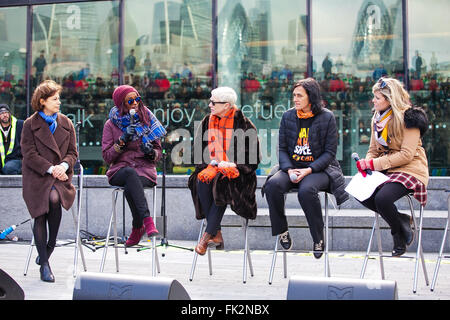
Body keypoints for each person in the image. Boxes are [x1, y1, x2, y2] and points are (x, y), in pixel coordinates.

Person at [262, 78, 348, 259]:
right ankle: (282, 230)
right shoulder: (288, 116)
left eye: (299, 95)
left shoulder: (327, 117)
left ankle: (318, 237)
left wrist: (309, 170)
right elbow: (282, 148)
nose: (295, 99)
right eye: (294, 95)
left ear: (311, 97)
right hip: (293, 167)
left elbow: (330, 152)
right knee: (272, 186)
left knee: (306, 190)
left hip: (320, 169)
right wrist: (288, 169)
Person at [355, 77, 429, 257]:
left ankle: (398, 234)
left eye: (377, 98)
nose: (373, 101)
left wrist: (373, 163)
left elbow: (406, 155)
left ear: (389, 99)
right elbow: (373, 149)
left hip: (411, 169)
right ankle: (401, 220)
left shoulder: (410, 118)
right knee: (359, 191)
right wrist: (367, 163)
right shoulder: (377, 118)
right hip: (388, 169)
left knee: (382, 199)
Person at [188, 87, 261, 255]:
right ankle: (217, 232)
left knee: (222, 184)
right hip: (212, 168)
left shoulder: (245, 124)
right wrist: (210, 166)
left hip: (238, 175)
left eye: (213, 102)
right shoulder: (207, 121)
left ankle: (208, 235)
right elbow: (197, 151)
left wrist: (233, 165)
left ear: (227, 105)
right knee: (201, 180)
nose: (210, 105)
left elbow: (253, 159)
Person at [21, 80, 78, 282]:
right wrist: (50, 168)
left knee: (55, 199)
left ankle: (49, 246)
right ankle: (44, 264)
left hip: (60, 177)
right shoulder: (30, 124)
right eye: (55, 99)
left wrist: (62, 166)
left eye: (59, 98)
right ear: (42, 101)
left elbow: (72, 152)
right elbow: (28, 153)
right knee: (42, 211)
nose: (59, 102)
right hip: (37, 177)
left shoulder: (66, 123)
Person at [102, 85, 166, 247]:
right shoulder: (111, 125)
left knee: (132, 183)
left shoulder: (148, 119)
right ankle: (147, 221)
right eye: (130, 101)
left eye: (137, 99)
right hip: (119, 170)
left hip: (144, 170)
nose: (135, 103)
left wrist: (150, 151)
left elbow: (158, 153)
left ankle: (138, 227)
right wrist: (122, 140)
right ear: (121, 104)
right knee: (130, 174)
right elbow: (107, 156)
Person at [0, 104, 23, 174]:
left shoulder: (20, 124)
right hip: (2, 162)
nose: (5, 115)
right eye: (1, 113)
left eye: (6, 112)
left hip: (17, 159)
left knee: (8, 168)